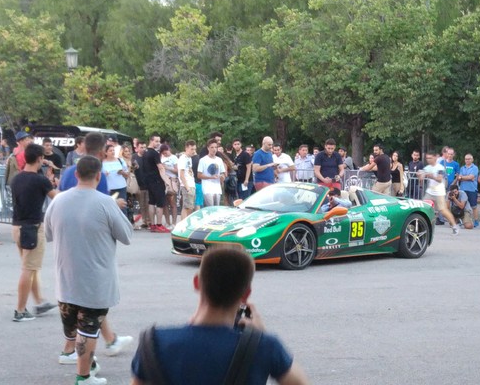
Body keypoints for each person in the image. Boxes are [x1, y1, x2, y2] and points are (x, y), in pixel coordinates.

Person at [130, 245, 308, 385]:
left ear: (197, 282)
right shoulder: (264, 346)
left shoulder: (154, 343)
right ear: (246, 295)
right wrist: (260, 336)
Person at [45, 156, 133, 385]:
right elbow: (127, 236)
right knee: (88, 329)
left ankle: (88, 367)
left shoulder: (58, 200)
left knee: (76, 326)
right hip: (96, 280)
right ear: (99, 176)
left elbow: (49, 234)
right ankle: (83, 377)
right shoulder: (105, 202)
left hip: (65, 278)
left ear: (76, 175)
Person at [10, 143, 58, 321]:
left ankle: (39, 302)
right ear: (39, 159)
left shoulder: (17, 178)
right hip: (32, 227)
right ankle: (20, 310)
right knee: (28, 269)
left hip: (18, 226)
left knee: (31, 268)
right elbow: (58, 198)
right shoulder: (40, 180)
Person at [418, 150, 459, 235]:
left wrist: (431, 175)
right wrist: (420, 176)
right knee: (423, 208)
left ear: (435, 157)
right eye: (427, 158)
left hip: (439, 192)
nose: (428, 160)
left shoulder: (440, 167)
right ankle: (422, 227)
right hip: (429, 192)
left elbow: (440, 179)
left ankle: (454, 226)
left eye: (430, 158)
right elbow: (421, 177)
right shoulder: (427, 167)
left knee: (443, 210)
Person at [143, 134, 169, 233]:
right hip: (157, 181)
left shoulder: (145, 152)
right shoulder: (154, 153)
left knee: (151, 202)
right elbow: (160, 168)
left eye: (159, 141)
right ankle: (159, 224)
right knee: (160, 203)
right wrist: (167, 181)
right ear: (151, 140)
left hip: (148, 181)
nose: (158, 143)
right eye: (156, 141)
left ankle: (152, 225)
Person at [102, 144, 129, 216]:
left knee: (123, 207)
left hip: (121, 187)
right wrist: (104, 174)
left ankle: (124, 224)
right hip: (109, 188)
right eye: (110, 151)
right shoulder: (102, 162)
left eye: (113, 150)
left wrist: (122, 172)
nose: (112, 152)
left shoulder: (120, 160)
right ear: (106, 152)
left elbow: (127, 174)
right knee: (110, 207)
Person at [198, 139, 226, 206]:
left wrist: (222, 177)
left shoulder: (219, 160)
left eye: (216, 147)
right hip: (207, 187)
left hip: (217, 187)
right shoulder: (203, 160)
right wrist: (210, 177)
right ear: (208, 148)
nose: (214, 149)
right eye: (212, 147)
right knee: (210, 207)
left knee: (217, 207)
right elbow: (199, 175)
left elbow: (223, 173)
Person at [160, 144, 179, 228]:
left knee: (172, 203)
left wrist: (167, 168)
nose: (165, 154)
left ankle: (174, 222)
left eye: (166, 152)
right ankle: (167, 222)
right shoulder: (161, 158)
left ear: (169, 149)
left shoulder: (174, 158)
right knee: (165, 203)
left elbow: (177, 170)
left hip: (172, 180)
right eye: (163, 153)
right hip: (164, 180)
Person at [132, 141, 151, 229]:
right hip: (138, 183)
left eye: (144, 147)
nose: (143, 149)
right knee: (142, 204)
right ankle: (144, 221)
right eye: (141, 147)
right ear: (137, 148)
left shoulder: (147, 156)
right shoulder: (134, 157)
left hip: (148, 183)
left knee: (148, 203)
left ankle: (149, 221)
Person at [458, 154, 479, 226]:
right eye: (466, 159)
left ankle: (476, 220)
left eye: (469, 159)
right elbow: (460, 177)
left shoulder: (475, 168)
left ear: (472, 160)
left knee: (474, 206)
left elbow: (471, 177)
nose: (467, 160)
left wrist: (463, 178)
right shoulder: (462, 168)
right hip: (463, 189)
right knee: (462, 206)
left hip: (472, 189)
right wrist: (468, 178)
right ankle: (462, 220)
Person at [178, 140, 197, 219]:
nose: (193, 151)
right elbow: (181, 174)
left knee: (190, 207)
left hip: (191, 184)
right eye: (191, 149)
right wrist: (187, 187)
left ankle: (187, 224)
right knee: (186, 207)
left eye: (195, 149)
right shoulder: (183, 158)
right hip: (186, 185)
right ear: (186, 148)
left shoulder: (189, 158)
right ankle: (183, 225)